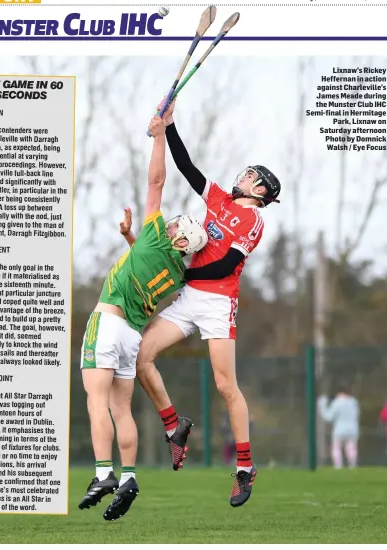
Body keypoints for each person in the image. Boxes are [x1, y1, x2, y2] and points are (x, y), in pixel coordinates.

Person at [136, 99, 281, 508]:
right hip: (189, 297)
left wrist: (184, 276)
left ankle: (244, 467)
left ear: (262, 192)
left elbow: (227, 267)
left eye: (252, 177)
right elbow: (187, 168)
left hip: (218, 302)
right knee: (141, 355)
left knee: (225, 385)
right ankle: (174, 426)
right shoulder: (218, 200)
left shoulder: (254, 221)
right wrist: (170, 127)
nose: (244, 177)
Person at [78, 114, 207, 521]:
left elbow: (156, 183)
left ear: (181, 239)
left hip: (106, 324)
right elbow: (143, 263)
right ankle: (129, 476)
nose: (167, 223)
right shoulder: (175, 271)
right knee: (121, 411)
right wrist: (128, 238)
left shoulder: (156, 237)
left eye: (175, 226)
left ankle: (103, 474)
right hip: (130, 338)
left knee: (95, 402)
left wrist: (159, 136)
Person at [318, 385, 360, 469]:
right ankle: (352, 466)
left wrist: (322, 406)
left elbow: (328, 417)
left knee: (336, 448)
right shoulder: (354, 402)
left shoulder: (337, 402)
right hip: (353, 429)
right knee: (351, 449)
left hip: (340, 430)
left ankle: (338, 466)